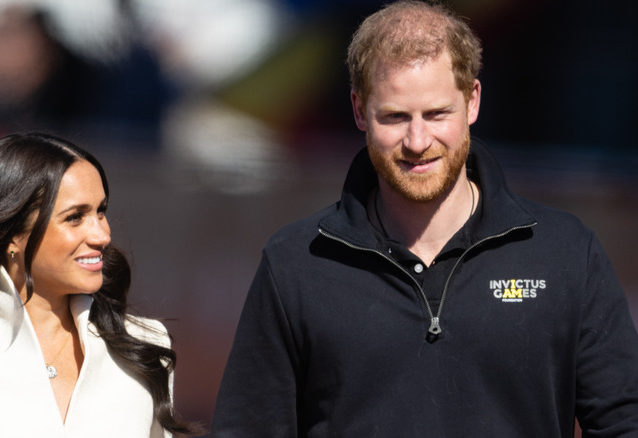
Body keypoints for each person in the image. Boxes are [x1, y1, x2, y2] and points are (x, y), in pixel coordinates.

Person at [210, 1, 638, 436]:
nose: (417, 141)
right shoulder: (296, 263)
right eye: (395, 117)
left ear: (472, 101)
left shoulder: (565, 254)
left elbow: (625, 422)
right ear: (359, 110)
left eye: (437, 114)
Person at [0, 132, 200, 437]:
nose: (102, 235)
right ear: (10, 234)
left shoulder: (144, 346)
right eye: (75, 217)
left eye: (100, 212)